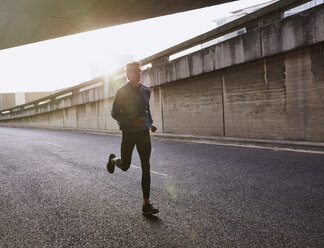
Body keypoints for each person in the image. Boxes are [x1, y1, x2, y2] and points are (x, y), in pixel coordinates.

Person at [107, 61, 159, 215]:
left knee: (146, 167)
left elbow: (146, 110)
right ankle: (113, 160)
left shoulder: (146, 91)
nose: (139, 74)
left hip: (143, 133)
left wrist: (150, 124)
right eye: (136, 71)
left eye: (140, 71)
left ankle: (146, 204)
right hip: (129, 133)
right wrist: (131, 121)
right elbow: (115, 113)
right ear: (129, 75)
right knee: (125, 166)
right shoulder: (121, 92)